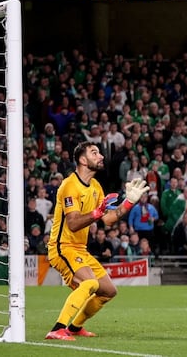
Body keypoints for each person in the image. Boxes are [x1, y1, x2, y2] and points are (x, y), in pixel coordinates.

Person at [45, 141, 148, 340]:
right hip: (62, 248)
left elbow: (108, 220)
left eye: (99, 153)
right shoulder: (69, 185)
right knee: (90, 282)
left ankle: (75, 327)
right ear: (83, 160)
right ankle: (58, 328)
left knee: (108, 291)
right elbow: (74, 223)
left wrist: (129, 203)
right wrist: (96, 212)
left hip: (80, 249)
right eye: (94, 153)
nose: (100, 156)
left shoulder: (95, 187)